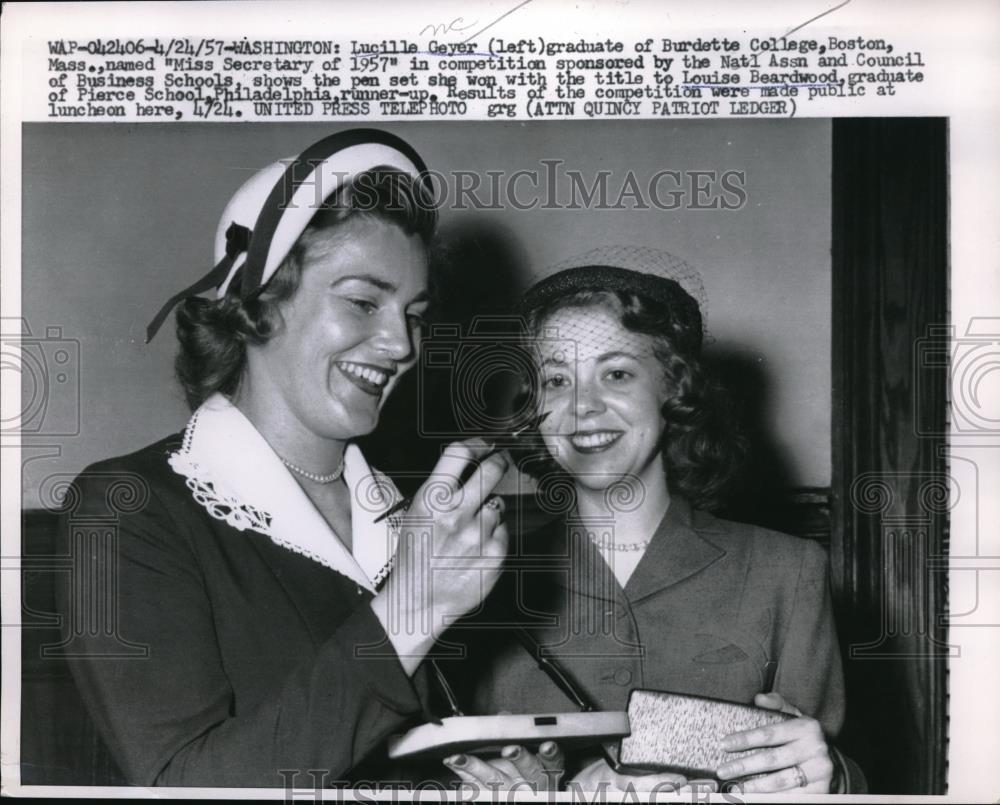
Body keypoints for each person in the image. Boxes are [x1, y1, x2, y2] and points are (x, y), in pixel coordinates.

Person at [54, 130, 510, 788]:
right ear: (258, 302)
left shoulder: (405, 517)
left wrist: (474, 775)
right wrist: (410, 609)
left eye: (414, 312)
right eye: (362, 301)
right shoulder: (129, 509)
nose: (401, 343)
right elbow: (190, 785)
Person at [440, 246, 865, 794]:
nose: (582, 408)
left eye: (615, 373)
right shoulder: (472, 576)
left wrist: (830, 780)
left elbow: (835, 767)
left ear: (673, 388)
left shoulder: (790, 572)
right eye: (557, 381)